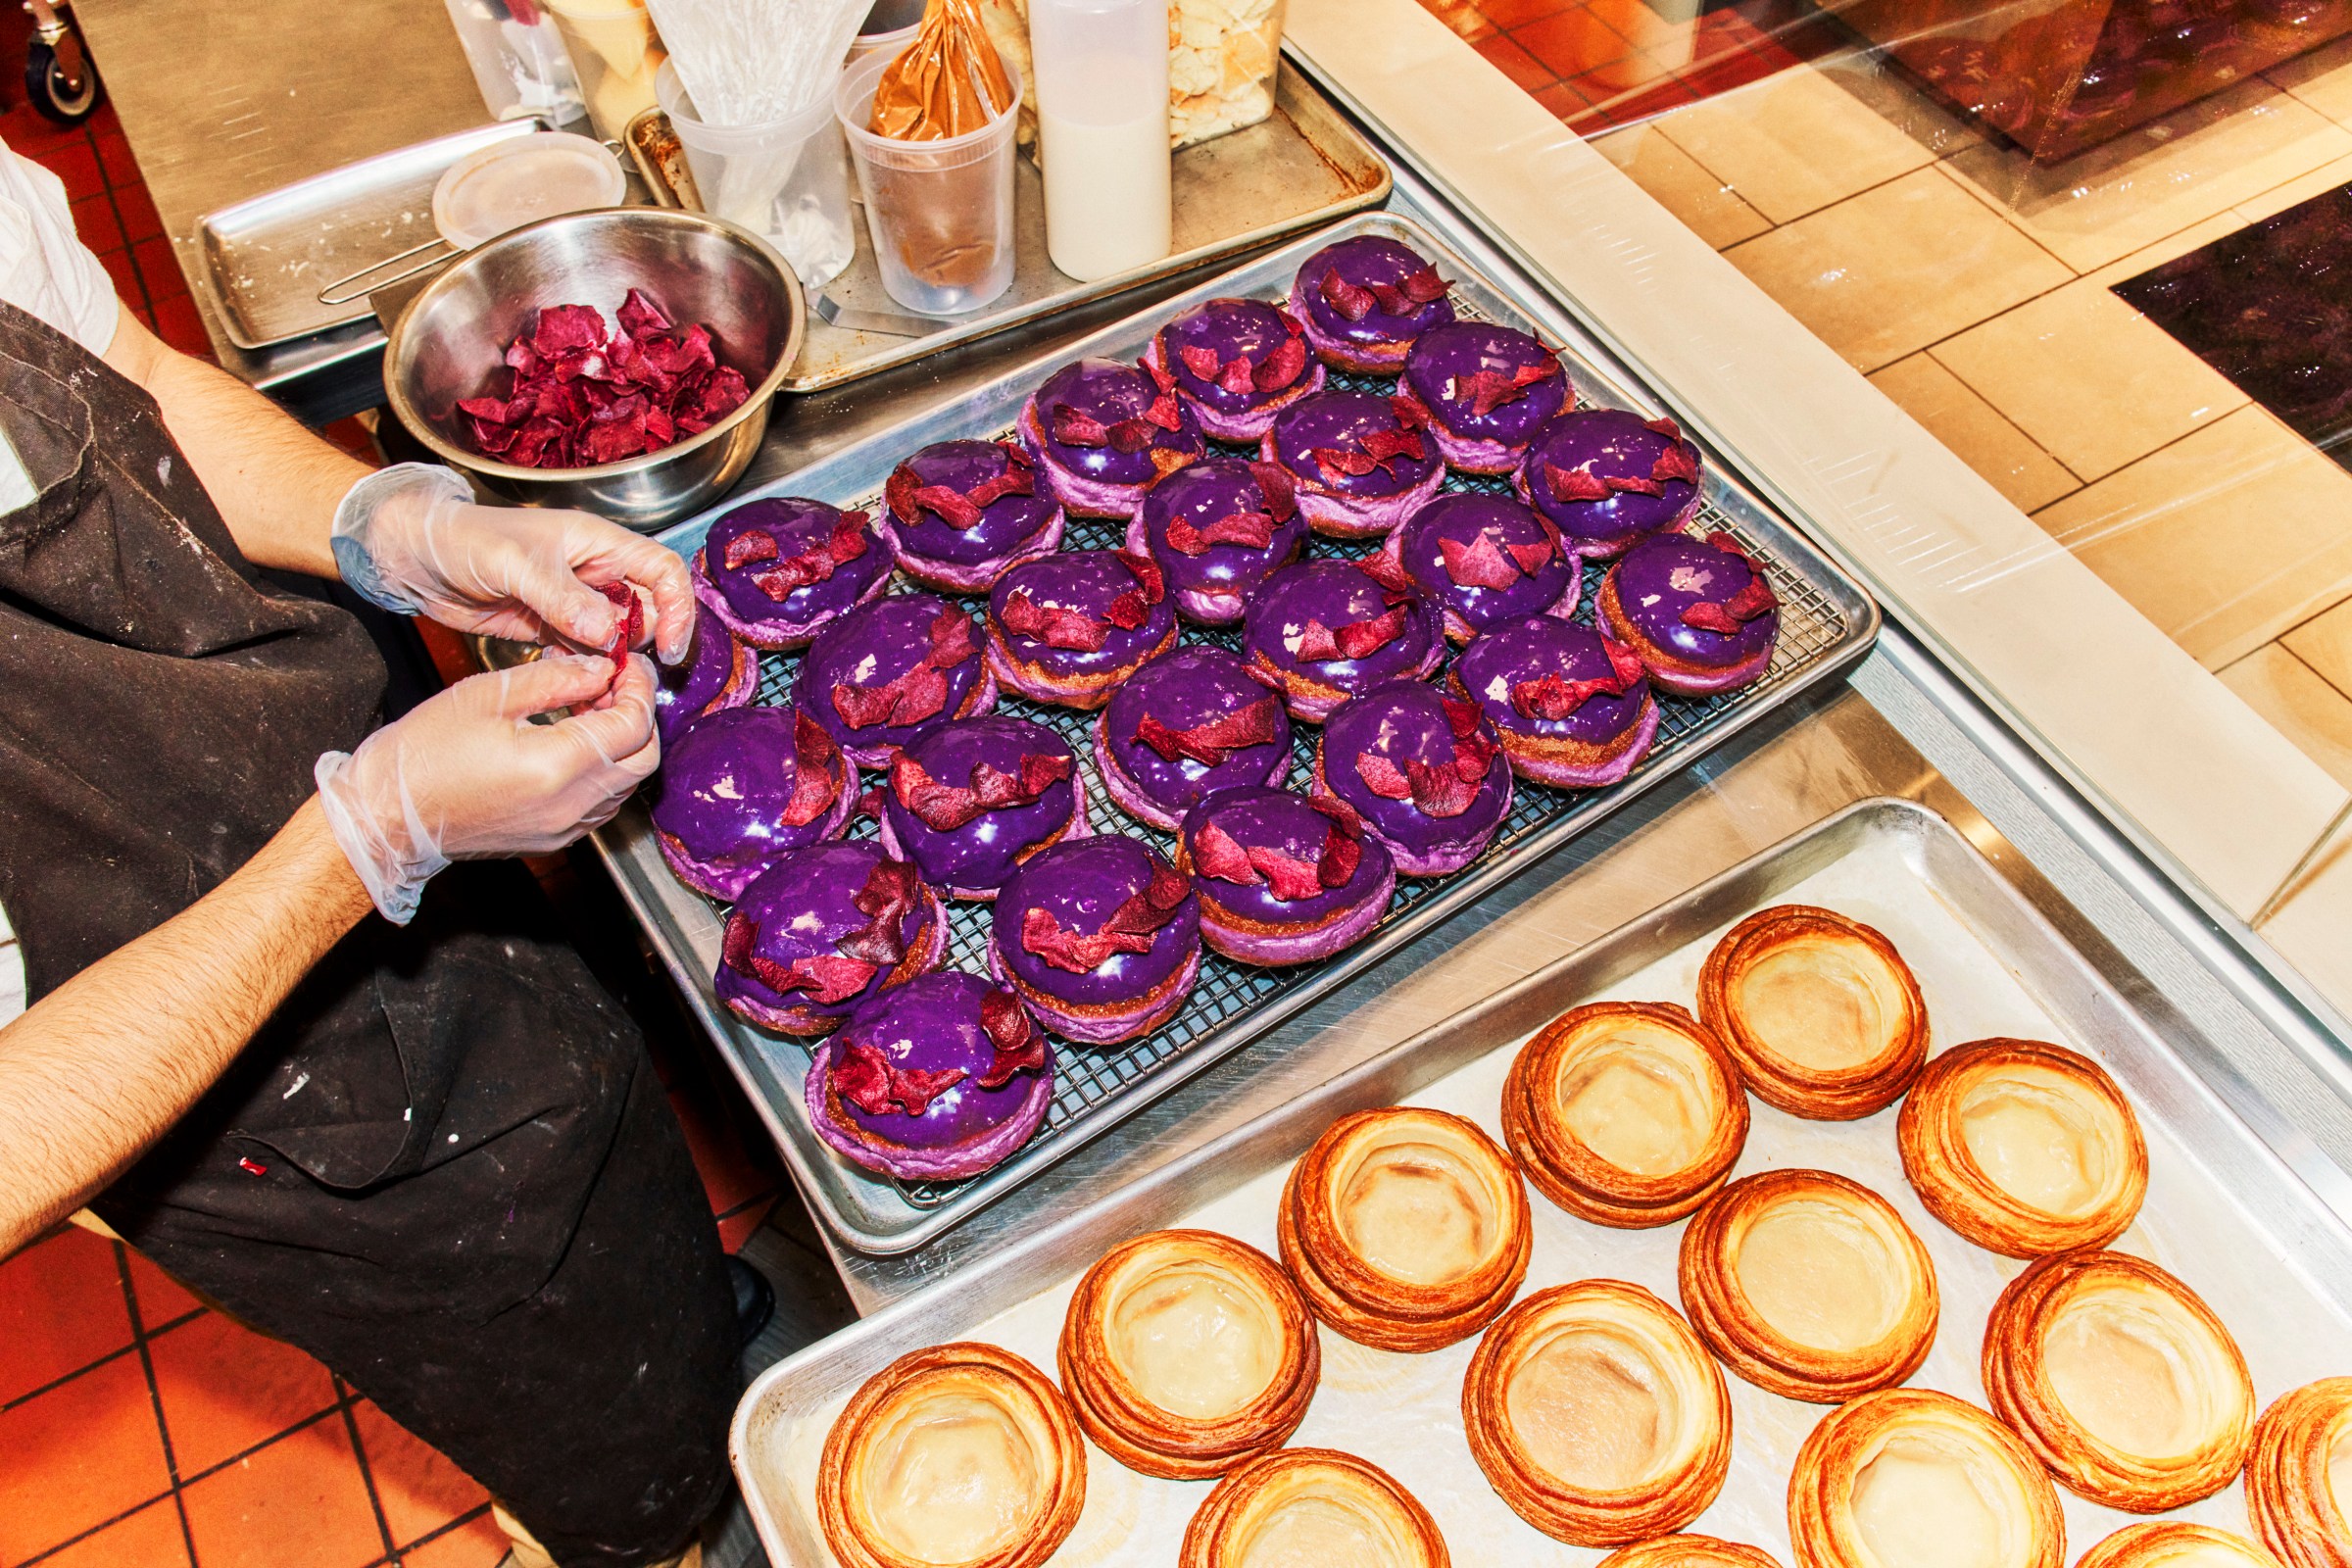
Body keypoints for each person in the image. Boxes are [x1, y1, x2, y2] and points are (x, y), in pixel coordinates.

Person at [0, 139, 739, 1568]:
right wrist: (365, 837)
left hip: (349, 790)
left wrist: (394, 527)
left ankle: (700, 1333)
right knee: (563, 1368)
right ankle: (672, 1509)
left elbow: (120, 376)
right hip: (230, 1074)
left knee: (610, 1158)